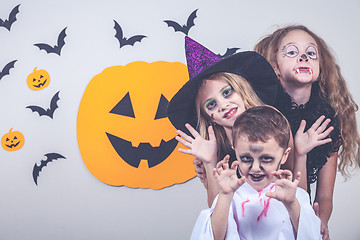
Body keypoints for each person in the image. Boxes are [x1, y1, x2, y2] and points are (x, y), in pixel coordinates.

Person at [167, 36, 331, 207]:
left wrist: (300, 154)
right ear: (209, 117)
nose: (223, 105)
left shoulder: (276, 127)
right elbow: (215, 214)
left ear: (243, 90)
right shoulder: (212, 148)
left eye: (227, 93)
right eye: (211, 104)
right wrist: (209, 164)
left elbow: (297, 197)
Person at [254, 24, 360, 239]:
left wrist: (320, 222)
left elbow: (324, 196)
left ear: (321, 66)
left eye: (311, 53)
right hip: (260, 217)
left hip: (299, 214)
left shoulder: (327, 121)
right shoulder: (261, 114)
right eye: (292, 52)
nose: (304, 58)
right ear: (275, 67)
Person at [190, 105, 321, 240]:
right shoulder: (230, 193)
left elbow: (310, 235)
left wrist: (292, 204)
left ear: (284, 155)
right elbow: (213, 237)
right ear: (235, 150)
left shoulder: (294, 194)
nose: (255, 168)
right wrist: (225, 196)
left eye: (266, 159)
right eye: (246, 158)